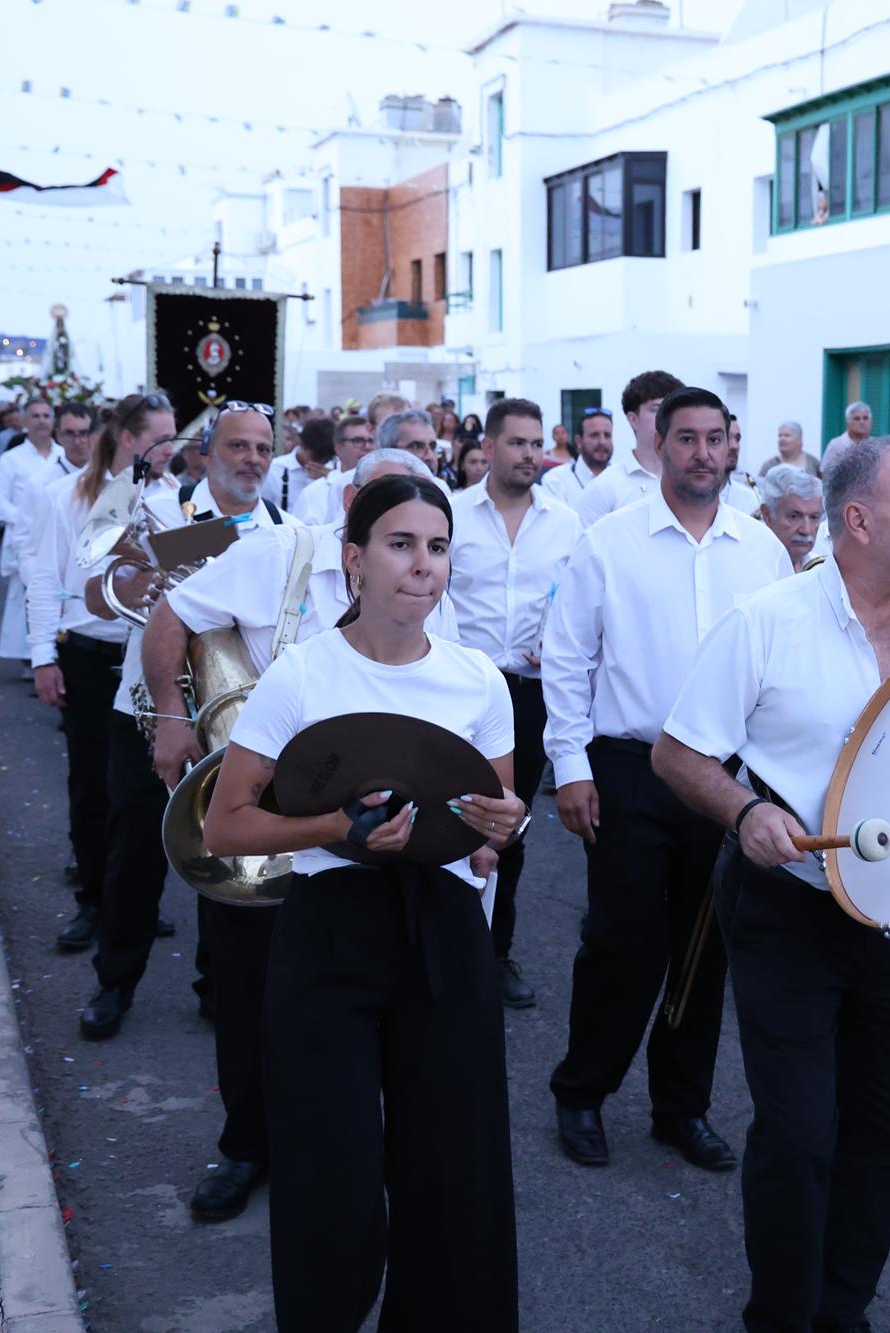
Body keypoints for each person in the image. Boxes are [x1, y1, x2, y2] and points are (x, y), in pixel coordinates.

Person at [200, 472, 528, 1331]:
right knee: (330, 1174)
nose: (423, 566)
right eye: (400, 544)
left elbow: (487, 827)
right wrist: (334, 829)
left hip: (445, 934)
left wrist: (502, 828)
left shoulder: (479, 680)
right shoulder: (301, 676)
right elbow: (226, 825)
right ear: (353, 560)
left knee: (453, 1172)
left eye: (438, 547)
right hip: (330, 938)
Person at [653, 436, 890, 1333]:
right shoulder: (768, 619)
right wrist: (746, 814)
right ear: (857, 521)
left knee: (887, 1132)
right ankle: (780, 1316)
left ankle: (841, 1308)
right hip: (789, 908)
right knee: (796, 1135)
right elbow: (678, 752)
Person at [144, 445, 453, 1227]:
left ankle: (346, 1146)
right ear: (349, 506)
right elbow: (171, 615)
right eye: (389, 516)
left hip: (371, 829)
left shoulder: (428, 583)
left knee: (352, 996)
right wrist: (173, 719)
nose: (415, 550)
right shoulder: (277, 551)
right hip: (259, 808)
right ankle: (248, 1145)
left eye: (428, 534)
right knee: (249, 989)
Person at [544, 386, 789, 1173]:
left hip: (723, 774)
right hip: (628, 767)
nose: (705, 454)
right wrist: (571, 766)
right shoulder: (608, 541)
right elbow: (568, 658)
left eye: (717, 439)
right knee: (621, 941)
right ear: (657, 443)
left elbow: (783, 668)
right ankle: (581, 1091)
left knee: (702, 946)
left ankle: (679, 1107)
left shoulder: (761, 550)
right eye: (688, 439)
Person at [77, 398, 284, 1044]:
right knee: (133, 856)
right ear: (204, 453)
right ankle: (115, 980)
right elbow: (94, 586)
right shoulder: (163, 510)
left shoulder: (281, 526)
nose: (252, 459)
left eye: (262, 448)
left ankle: (216, 986)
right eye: (237, 446)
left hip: (238, 725)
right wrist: (169, 572)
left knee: (226, 862)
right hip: (149, 714)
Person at [448, 399, 582, 1009]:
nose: (531, 455)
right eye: (518, 443)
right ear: (491, 446)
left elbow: (577, 606)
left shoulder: (565, 522)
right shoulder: (451, 514)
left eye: (537, 445)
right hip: (455, 689)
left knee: (508, 826)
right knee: (440, 815)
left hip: (526, 696)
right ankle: (437, 946)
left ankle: (493, 953)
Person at [25, 401, 143, 954]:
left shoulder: (171, 496)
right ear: (124, 438)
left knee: (142, 791)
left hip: (148, 656)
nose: (170, 449)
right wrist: (42, 655)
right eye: (159, 438)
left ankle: (132, 900)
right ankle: (94, 900)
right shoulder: (65, 495)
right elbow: (45, 575)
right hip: (89, 653)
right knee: (92, 785)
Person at [0, 400, 78, 667]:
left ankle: (58, 655)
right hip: (26, 537)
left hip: (63, 538)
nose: (41, 421)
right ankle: (31, 658)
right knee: (27, 598)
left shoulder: (65, 455)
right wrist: (30, 518)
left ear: (54, 422)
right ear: (25, 421)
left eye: (46, 416)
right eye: (35, 416)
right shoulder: (11, 459)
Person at [573, 370, 687, 527]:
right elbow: (584, 549)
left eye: (674, 409)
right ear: (633, 419)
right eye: (658, 409)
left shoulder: (689, 480)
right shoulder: (605, 488)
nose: (669, 417)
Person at [293, 412, 378, 527]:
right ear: (338, 447)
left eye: (371, 441)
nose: (367, 447)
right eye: (358, 441)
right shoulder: (314, 493)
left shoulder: (384, 485)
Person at [541, 405, 615, 508]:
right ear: (579, 441)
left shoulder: (624, 481)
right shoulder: (555, 481)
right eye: (594, 435)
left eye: (607, 435)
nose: (602, 442)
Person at [757, 464, 825, 573]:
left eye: (814, 517)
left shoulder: (823, 570)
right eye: (795, 517)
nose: (806, 530)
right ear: (767, 515)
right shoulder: (749, 567)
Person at [821, 401, 874, 472]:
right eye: (857, 419)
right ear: (848, 423)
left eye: (865, 418)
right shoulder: (836, 445)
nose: (862, 422)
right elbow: (825, 473)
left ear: (870, 422)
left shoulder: (875, 445)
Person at [722, 414, 759, 514]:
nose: (735, 446)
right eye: (727, 437)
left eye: (737, 439)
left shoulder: (751, 499)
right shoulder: (688, 495)